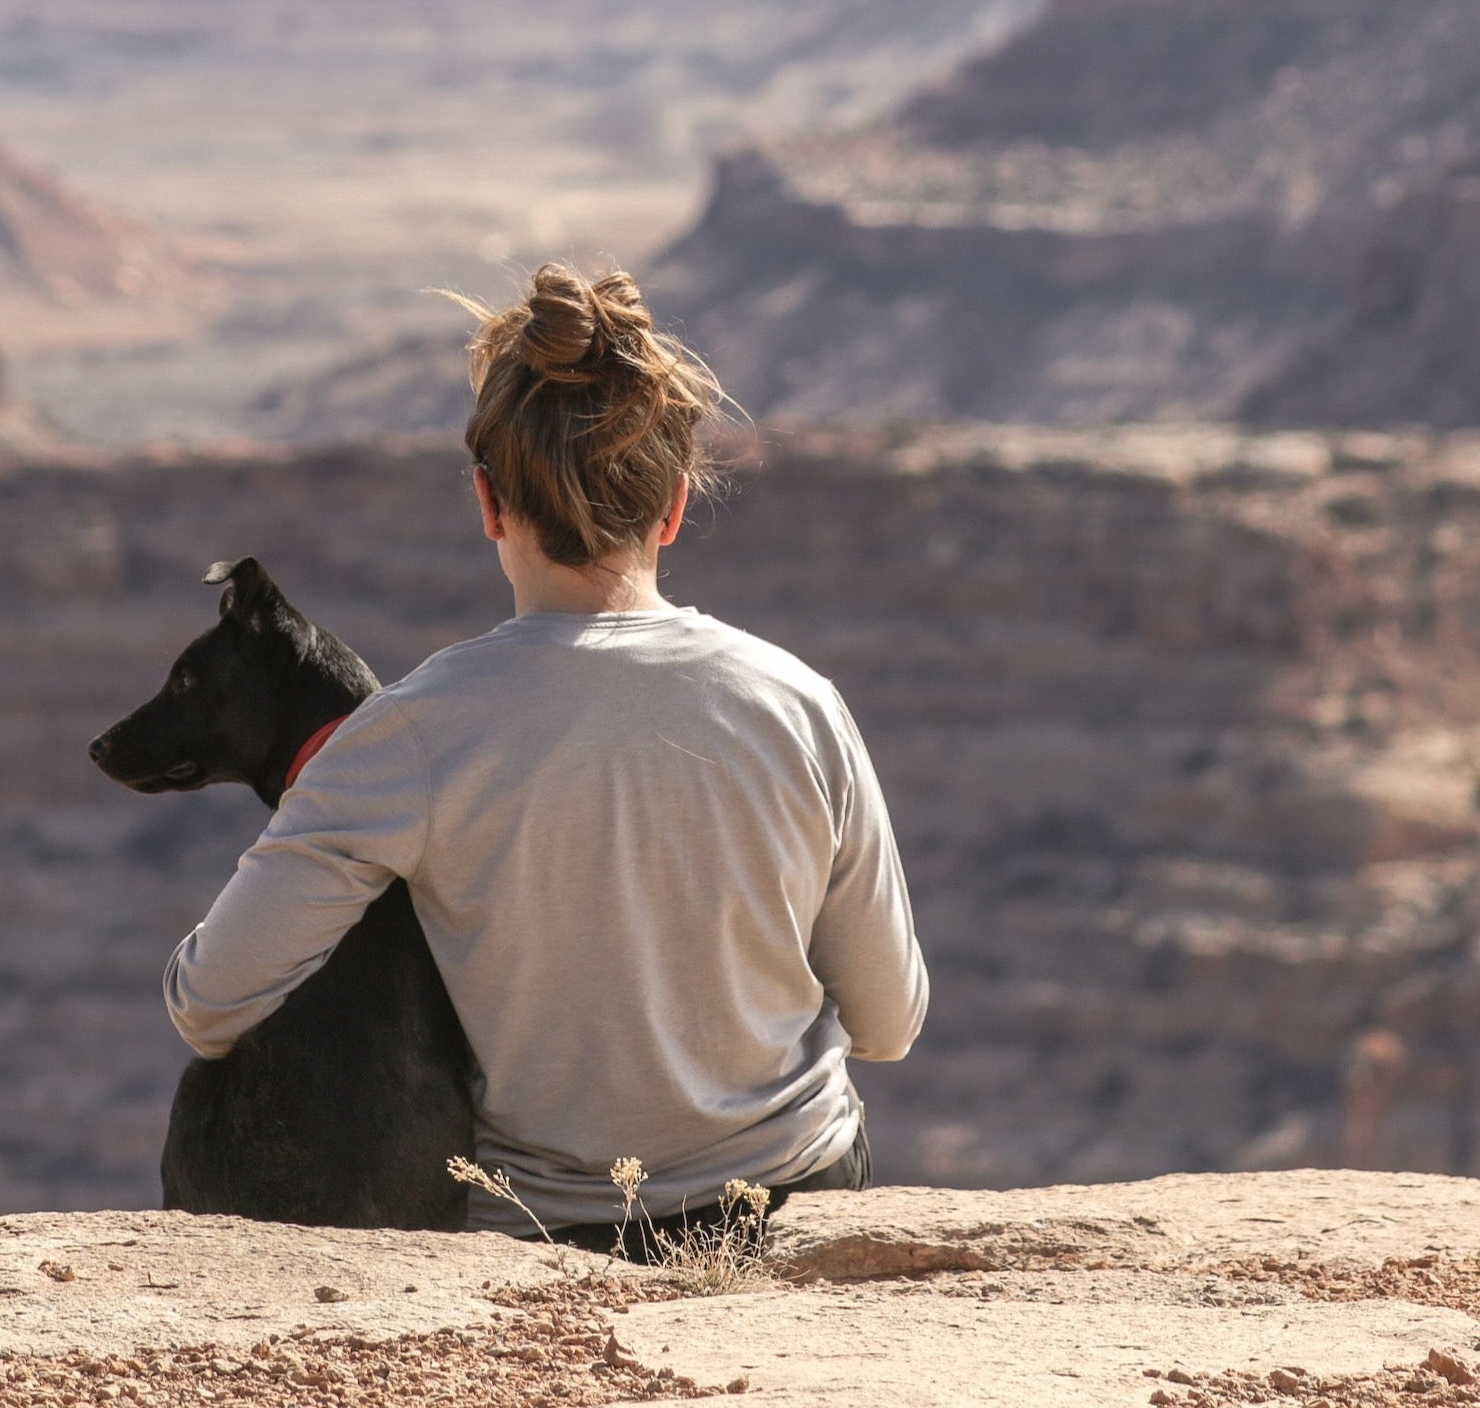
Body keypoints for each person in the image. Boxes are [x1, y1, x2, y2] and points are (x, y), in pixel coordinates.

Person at [162, 264, 926, 1252]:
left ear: (486, 501)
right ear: (674, 505)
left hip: (552, 1231)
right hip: (795, 1200)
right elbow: (888, 1022)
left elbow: (206, 1000)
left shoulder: (408, 733)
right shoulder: (798, 704)